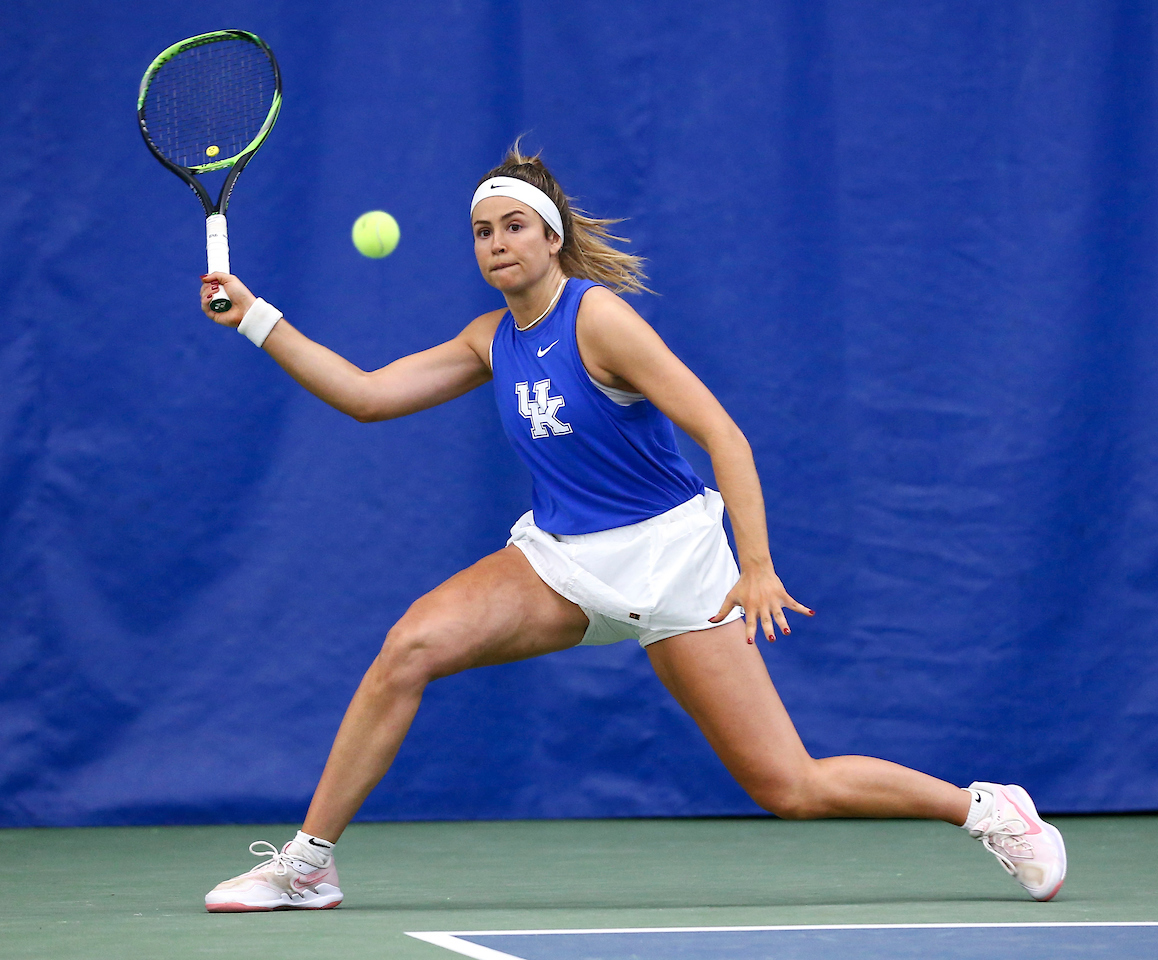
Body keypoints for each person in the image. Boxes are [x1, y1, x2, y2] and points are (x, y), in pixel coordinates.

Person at [199, 145, 1067, 912]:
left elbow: (723, 434)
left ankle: (985, 808)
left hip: (679, 565)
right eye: (480, 232)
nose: (495, 244)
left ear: (550, 239)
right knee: (410, 646)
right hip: (564, 562)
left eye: (512, 227)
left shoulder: (601, 319)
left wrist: (756, 566)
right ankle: (308, 867)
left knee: (790, 787)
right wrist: (256, 318)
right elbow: (366, 396)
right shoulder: (488, 339)